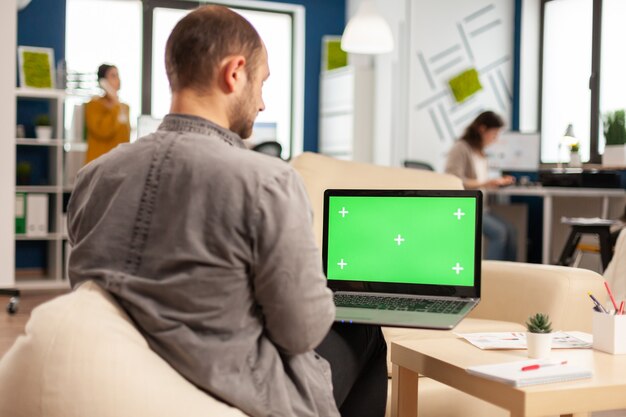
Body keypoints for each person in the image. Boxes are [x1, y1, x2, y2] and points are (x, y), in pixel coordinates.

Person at [67, 5, 387, 417]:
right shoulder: (268, 182)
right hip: (237, 392)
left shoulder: (94, 178)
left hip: (120, 384)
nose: (263, 103)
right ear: (234, 73)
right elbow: (300, 333)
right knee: (368, 327)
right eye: (262, 82)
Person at [445, 111, 518, 261]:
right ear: (482, 129)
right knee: (499, 232)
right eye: (494, 133)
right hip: (466, 207)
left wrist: (494, 183)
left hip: (482, 208)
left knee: (511, 231)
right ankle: (492, 276)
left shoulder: (480, 152)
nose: (495, 139)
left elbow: (478, 181)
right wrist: (486, 183)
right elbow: (453, 179)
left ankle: (508, 275)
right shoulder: (461, 148)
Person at [84, 63, 130, 164]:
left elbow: (125, 139)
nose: (118, 79)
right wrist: (115, 103)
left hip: (118, 164)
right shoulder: (94, 105)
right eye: (113, 76)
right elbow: (104, 131)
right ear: (102, 82)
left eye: (118, 75)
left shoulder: (124, 107)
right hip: (98, 165)